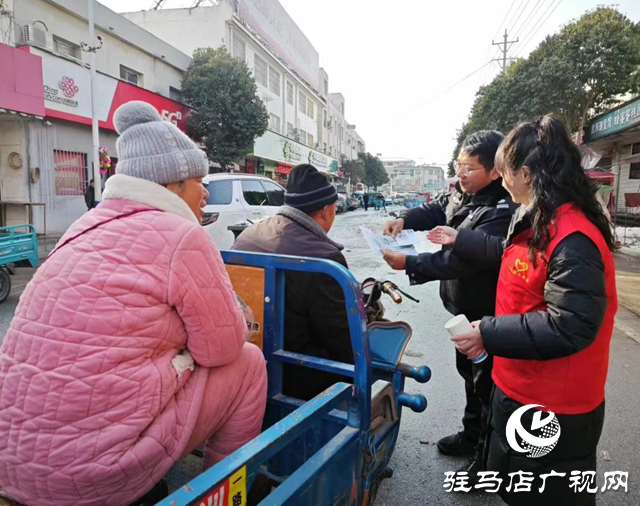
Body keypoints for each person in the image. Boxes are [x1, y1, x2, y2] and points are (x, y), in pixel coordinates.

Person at [0, 102, 267, 506]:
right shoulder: (183, 236)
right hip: (94, 477)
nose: (206, 192)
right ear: (174, 183)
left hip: (13, 460)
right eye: (200, 180)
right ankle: (224, 494)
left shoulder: (81, 228)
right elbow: (223, 347)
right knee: (249, 364)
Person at [430, 116, 617, 506]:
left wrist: (489, 332)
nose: (500, 176)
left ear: (526, 174)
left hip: (553, 404)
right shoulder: (537, 219)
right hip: (519, 385)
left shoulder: (573, 237)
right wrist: (460, 238)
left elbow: (571, 325)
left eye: (504, 168)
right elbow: (512, 259)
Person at [381, 130, 516, 479]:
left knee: (488, 386)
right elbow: (436, 208)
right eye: (458, 166)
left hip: (488, 316)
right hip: (463, 312)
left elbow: (462, 262)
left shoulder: (502, 209)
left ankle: (489, 463)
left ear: (495, 171)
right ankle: (473, 436)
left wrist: (410, 264)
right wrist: (405, 220)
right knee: (470, 377)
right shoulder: (463, 194)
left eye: (468, 168)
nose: (460, 175)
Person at [232, 164, 352, 400]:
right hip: (299, 374)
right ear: (326, 210)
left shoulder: (248, 235)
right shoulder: (326, 258)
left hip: (247, 356)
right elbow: (342, 339)